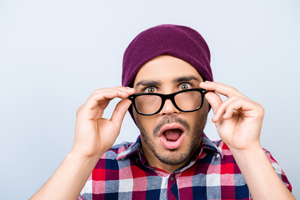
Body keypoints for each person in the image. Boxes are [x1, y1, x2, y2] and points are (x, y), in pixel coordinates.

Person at [31, 24, 295, 200]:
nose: (168, 107)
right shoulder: (93, 169)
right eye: (149, 91)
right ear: (129, 103)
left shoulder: (251, 161)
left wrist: (248, 150)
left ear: (208, 98)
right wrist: (82, 155)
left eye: (183, 86)